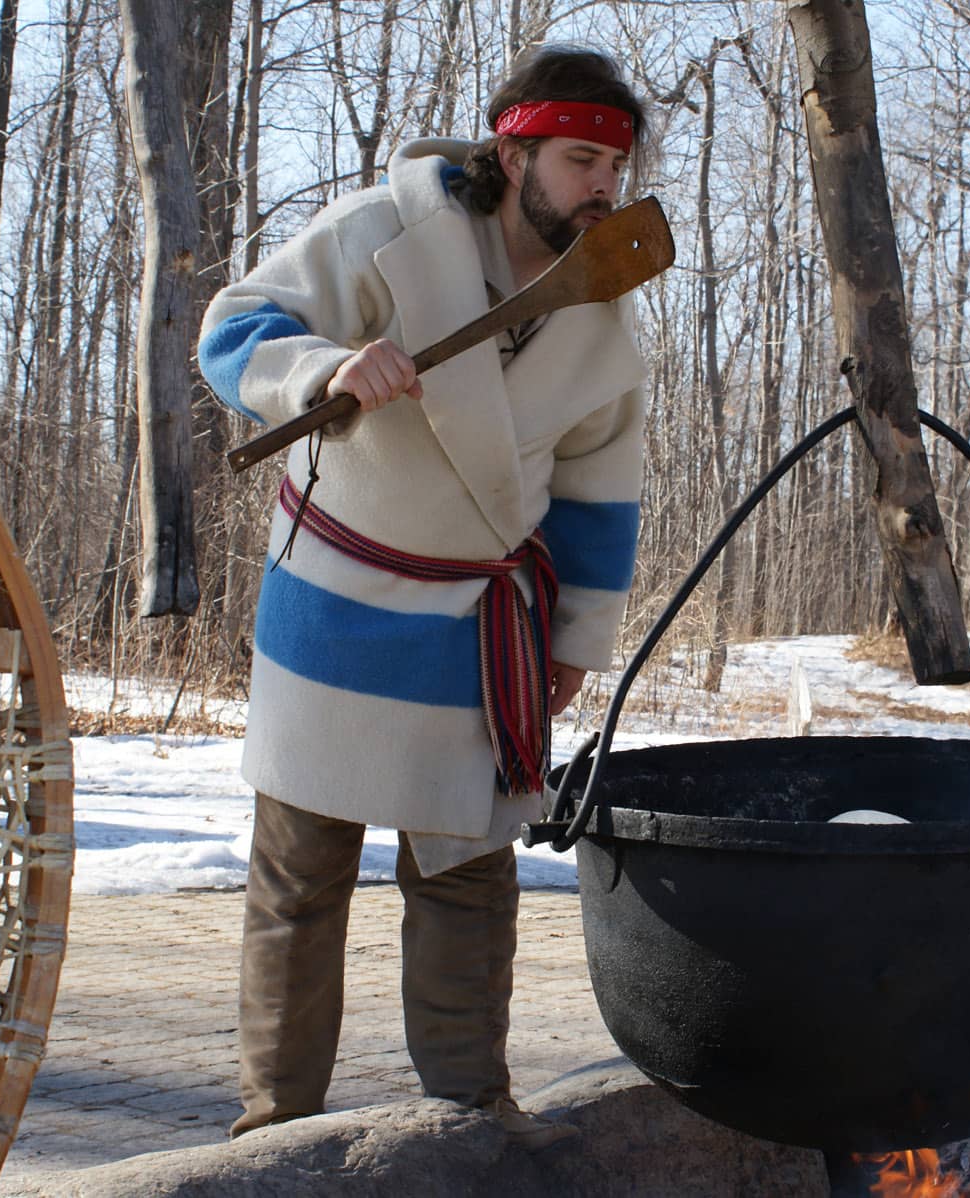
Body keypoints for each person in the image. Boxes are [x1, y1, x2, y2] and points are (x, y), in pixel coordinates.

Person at [196, 46, 653, 1149]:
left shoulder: (603, 314)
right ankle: (272, 1135)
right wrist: (324, 372)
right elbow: (233, 329)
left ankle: (470, 1128)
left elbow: (598, 493)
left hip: (475, 629)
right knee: (300, 885)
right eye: (581, 158)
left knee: (464, 882)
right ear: (515, 152)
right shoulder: (377, 235)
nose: (603, 185)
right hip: (333, 601)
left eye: (615, 165)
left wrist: (579, 636)